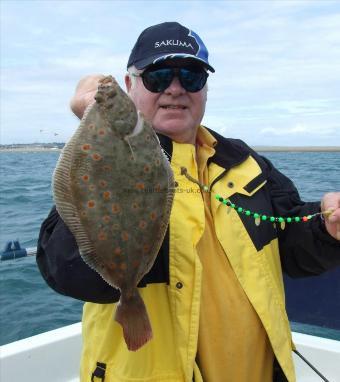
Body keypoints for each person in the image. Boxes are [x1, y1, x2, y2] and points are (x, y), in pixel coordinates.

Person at [37, 21, 340, 382]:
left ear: (205, 89)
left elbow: (290, 247)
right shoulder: (105, 161)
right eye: (159, 76)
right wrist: (94, 116)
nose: (176, 89)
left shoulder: (245, 164)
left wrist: (325, 228)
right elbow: (66, 270)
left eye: (192, 76)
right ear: (130, 85)